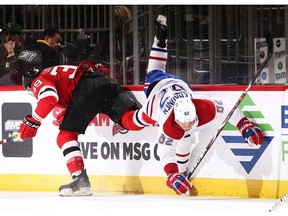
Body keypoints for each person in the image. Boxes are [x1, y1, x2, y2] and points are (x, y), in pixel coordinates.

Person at [121, 15, 265, 195]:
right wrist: (171, 175)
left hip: (180, 86)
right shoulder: (167, 124)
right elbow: (165, 153)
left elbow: (229, 108)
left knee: (185, 136)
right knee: (136, 120)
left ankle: (161, 36)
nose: (189, 124)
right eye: (185, 122)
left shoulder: (203, 106)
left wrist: (244, 124)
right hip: (156, 93)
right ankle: (121, 118)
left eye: (191, 121)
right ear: (176, 118)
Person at [17, 50, 141, 196]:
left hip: (86, 89)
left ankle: (80, 181)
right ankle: (154, 113)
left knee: (65, 136)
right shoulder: (53, 72)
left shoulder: (39, 79)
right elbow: (67, 92)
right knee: (130, 120)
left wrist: (34, 121)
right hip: (105, 82)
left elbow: (49, 97)